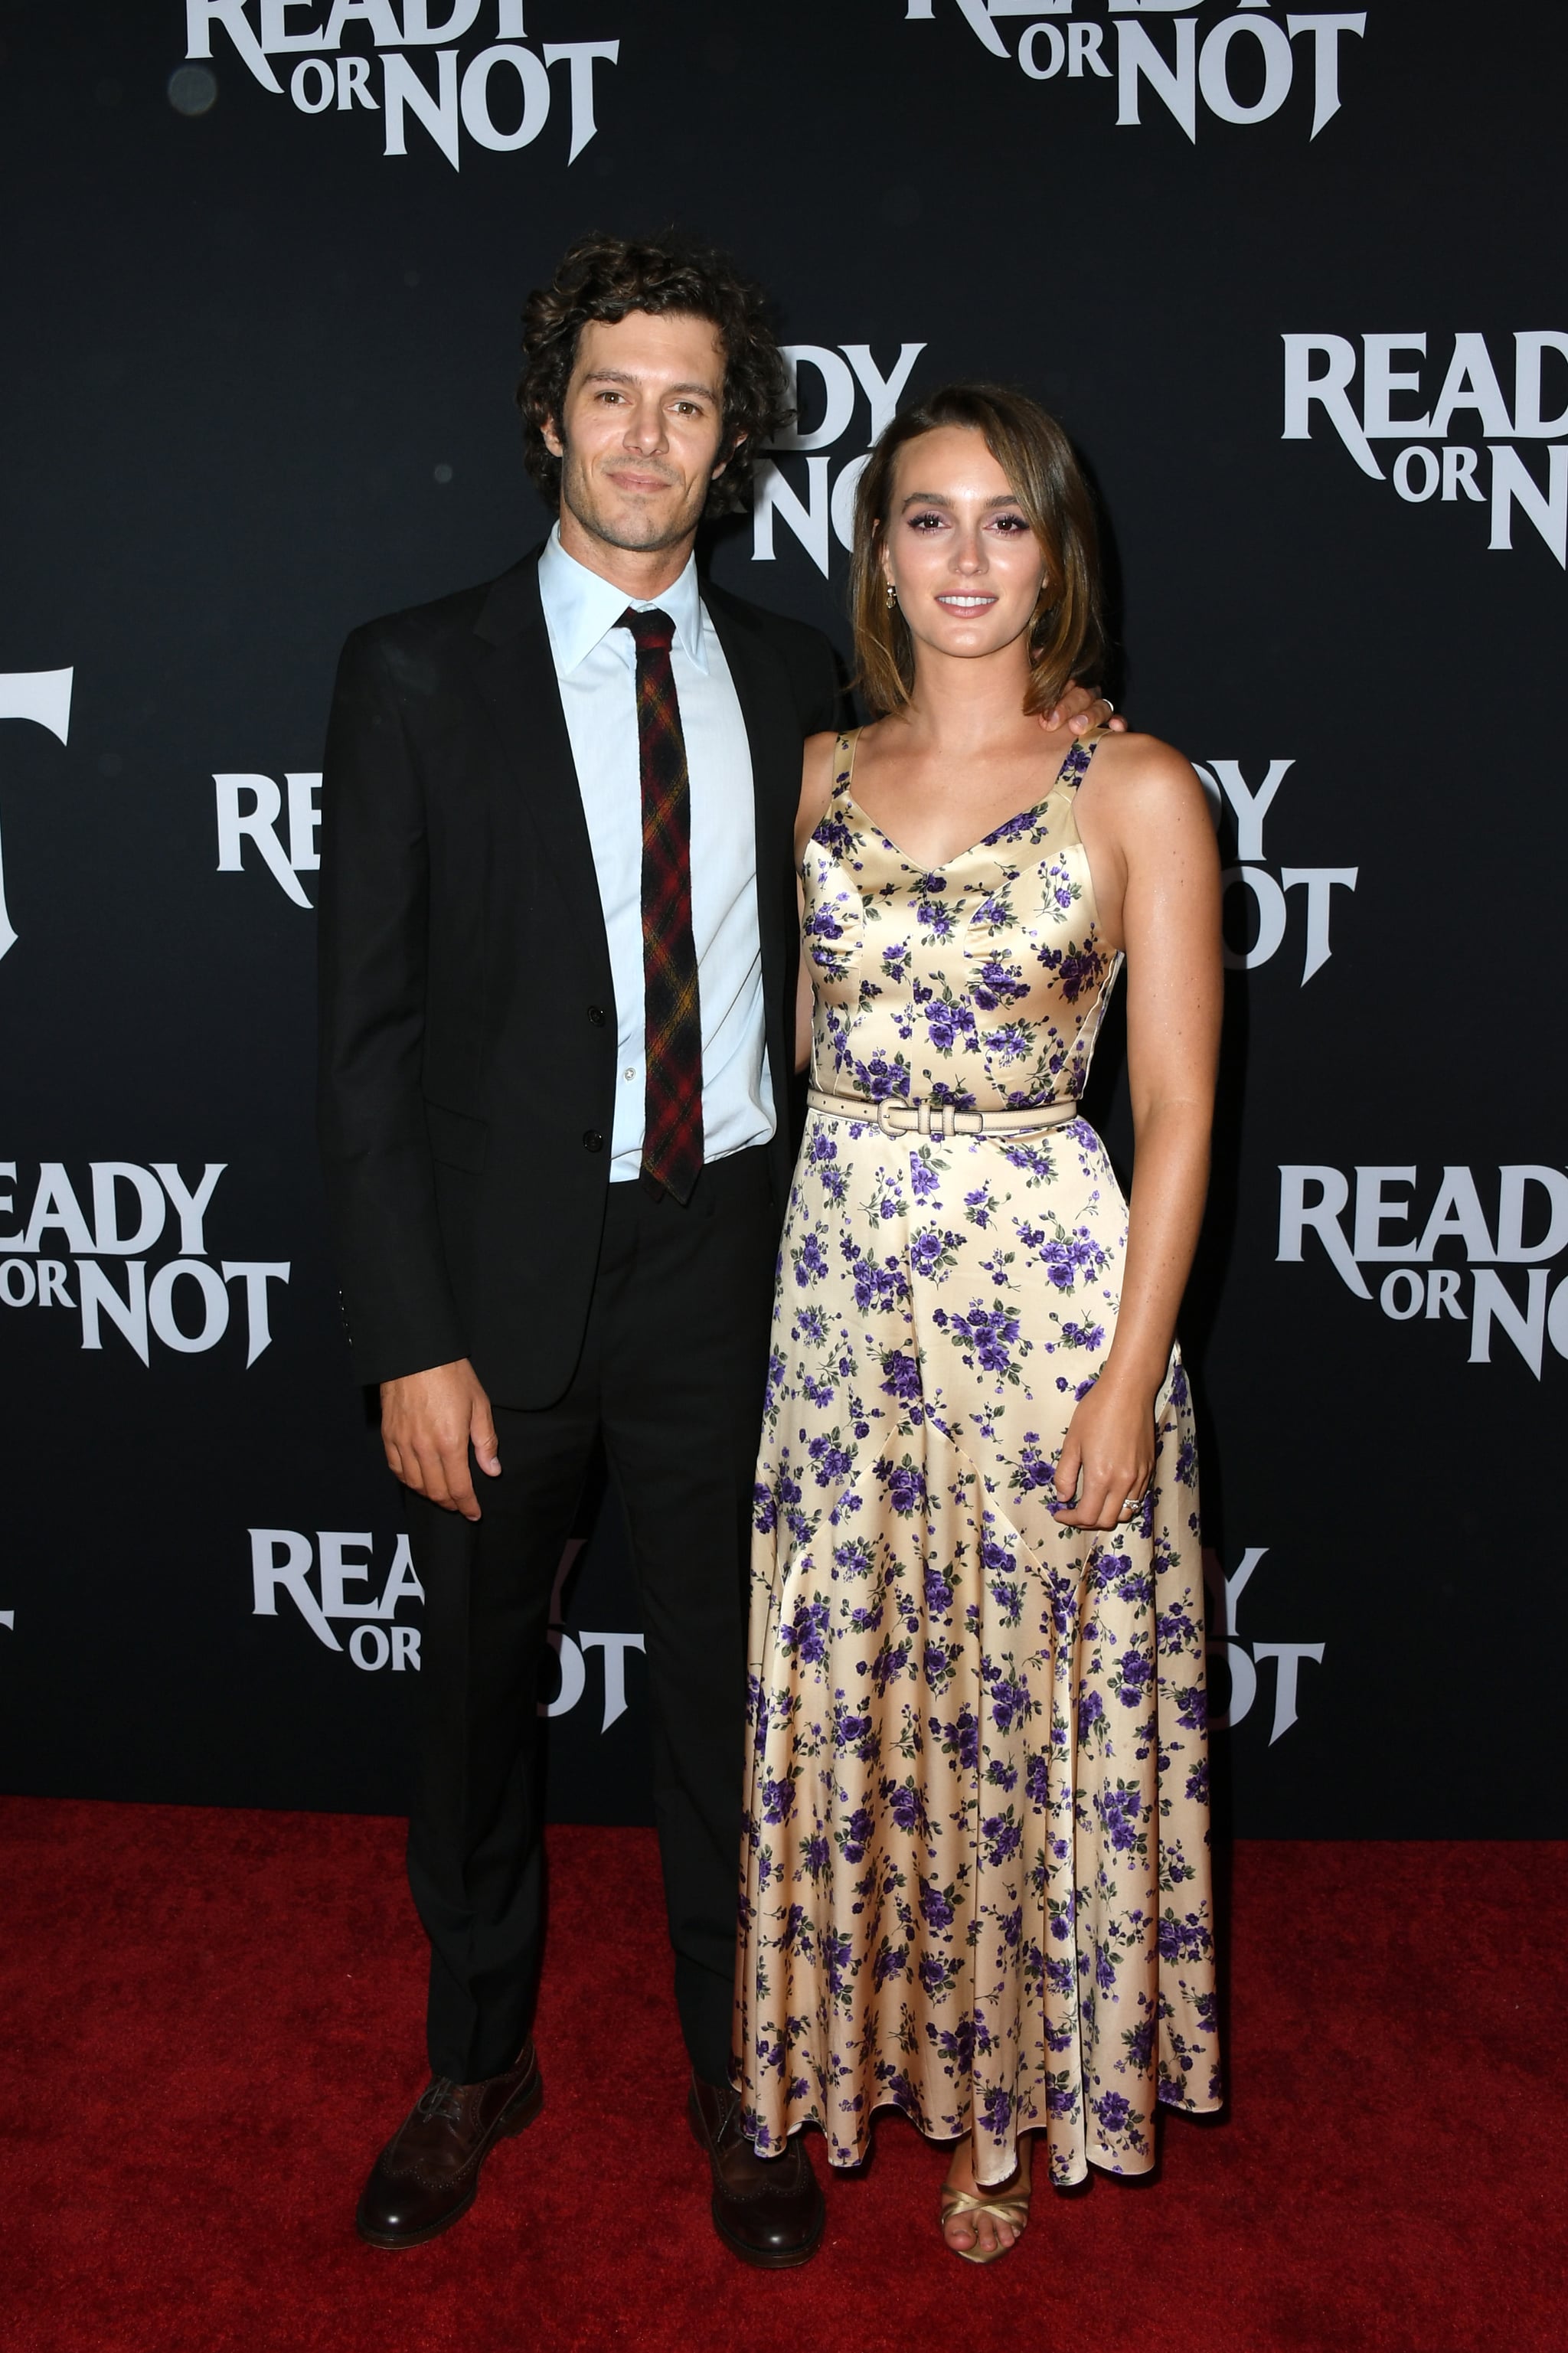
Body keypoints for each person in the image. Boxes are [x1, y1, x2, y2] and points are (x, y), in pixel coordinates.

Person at [316, 241, 1116, 2266]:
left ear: (731, 433)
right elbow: (367, 1044)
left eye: (689, 401)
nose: (649, 435)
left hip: (739, 1275)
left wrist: (1073, 708)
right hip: (493, 1298)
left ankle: (746, 2072)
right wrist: (410, 1336)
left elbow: (980, 773)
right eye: (613, 394)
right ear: (550, 416)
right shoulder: (414, 671)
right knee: (477, 1707)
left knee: (737, 1718)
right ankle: (473, 2061)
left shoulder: (793, 686)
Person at [733, 384, 1223, 2263]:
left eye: (1002, 521)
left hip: (1046, 1304)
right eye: (924, 518)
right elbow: (781, 1046)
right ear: (876, 551)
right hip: (841, 1313)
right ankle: (876, 2056)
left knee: (1026, 1709)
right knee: (871, 1695)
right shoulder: (814, 778)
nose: (962, 557)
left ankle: (1007, 2095)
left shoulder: (1139, 788)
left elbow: (1177, 1111)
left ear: (1054, 554)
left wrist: (1127, 1376)